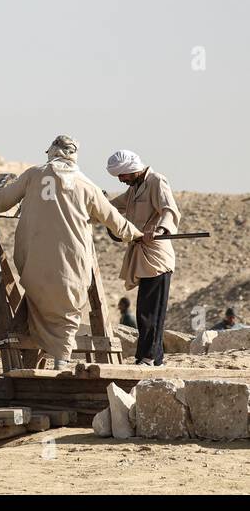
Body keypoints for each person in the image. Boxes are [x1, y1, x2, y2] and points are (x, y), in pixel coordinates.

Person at [0, 136, 142, 370]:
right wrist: (138, 235)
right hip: (72, 264)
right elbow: (116, 222)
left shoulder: (33, 175)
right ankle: (61, 361)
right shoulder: (86, 185)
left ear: (52, 152)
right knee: (68, 313)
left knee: (38, 304)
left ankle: (41, 361)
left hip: (35, 264)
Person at [106, 150, 180, 366]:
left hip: (157, 256)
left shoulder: (156, 181)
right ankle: (151, 357)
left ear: (131, 170)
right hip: (142, 255)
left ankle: (149, 357)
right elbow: (112, 206)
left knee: (151, 312)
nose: (121, 180)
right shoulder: (135, 188)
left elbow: (169, 210)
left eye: (122, 175)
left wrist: (163, 230)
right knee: (143, 312)